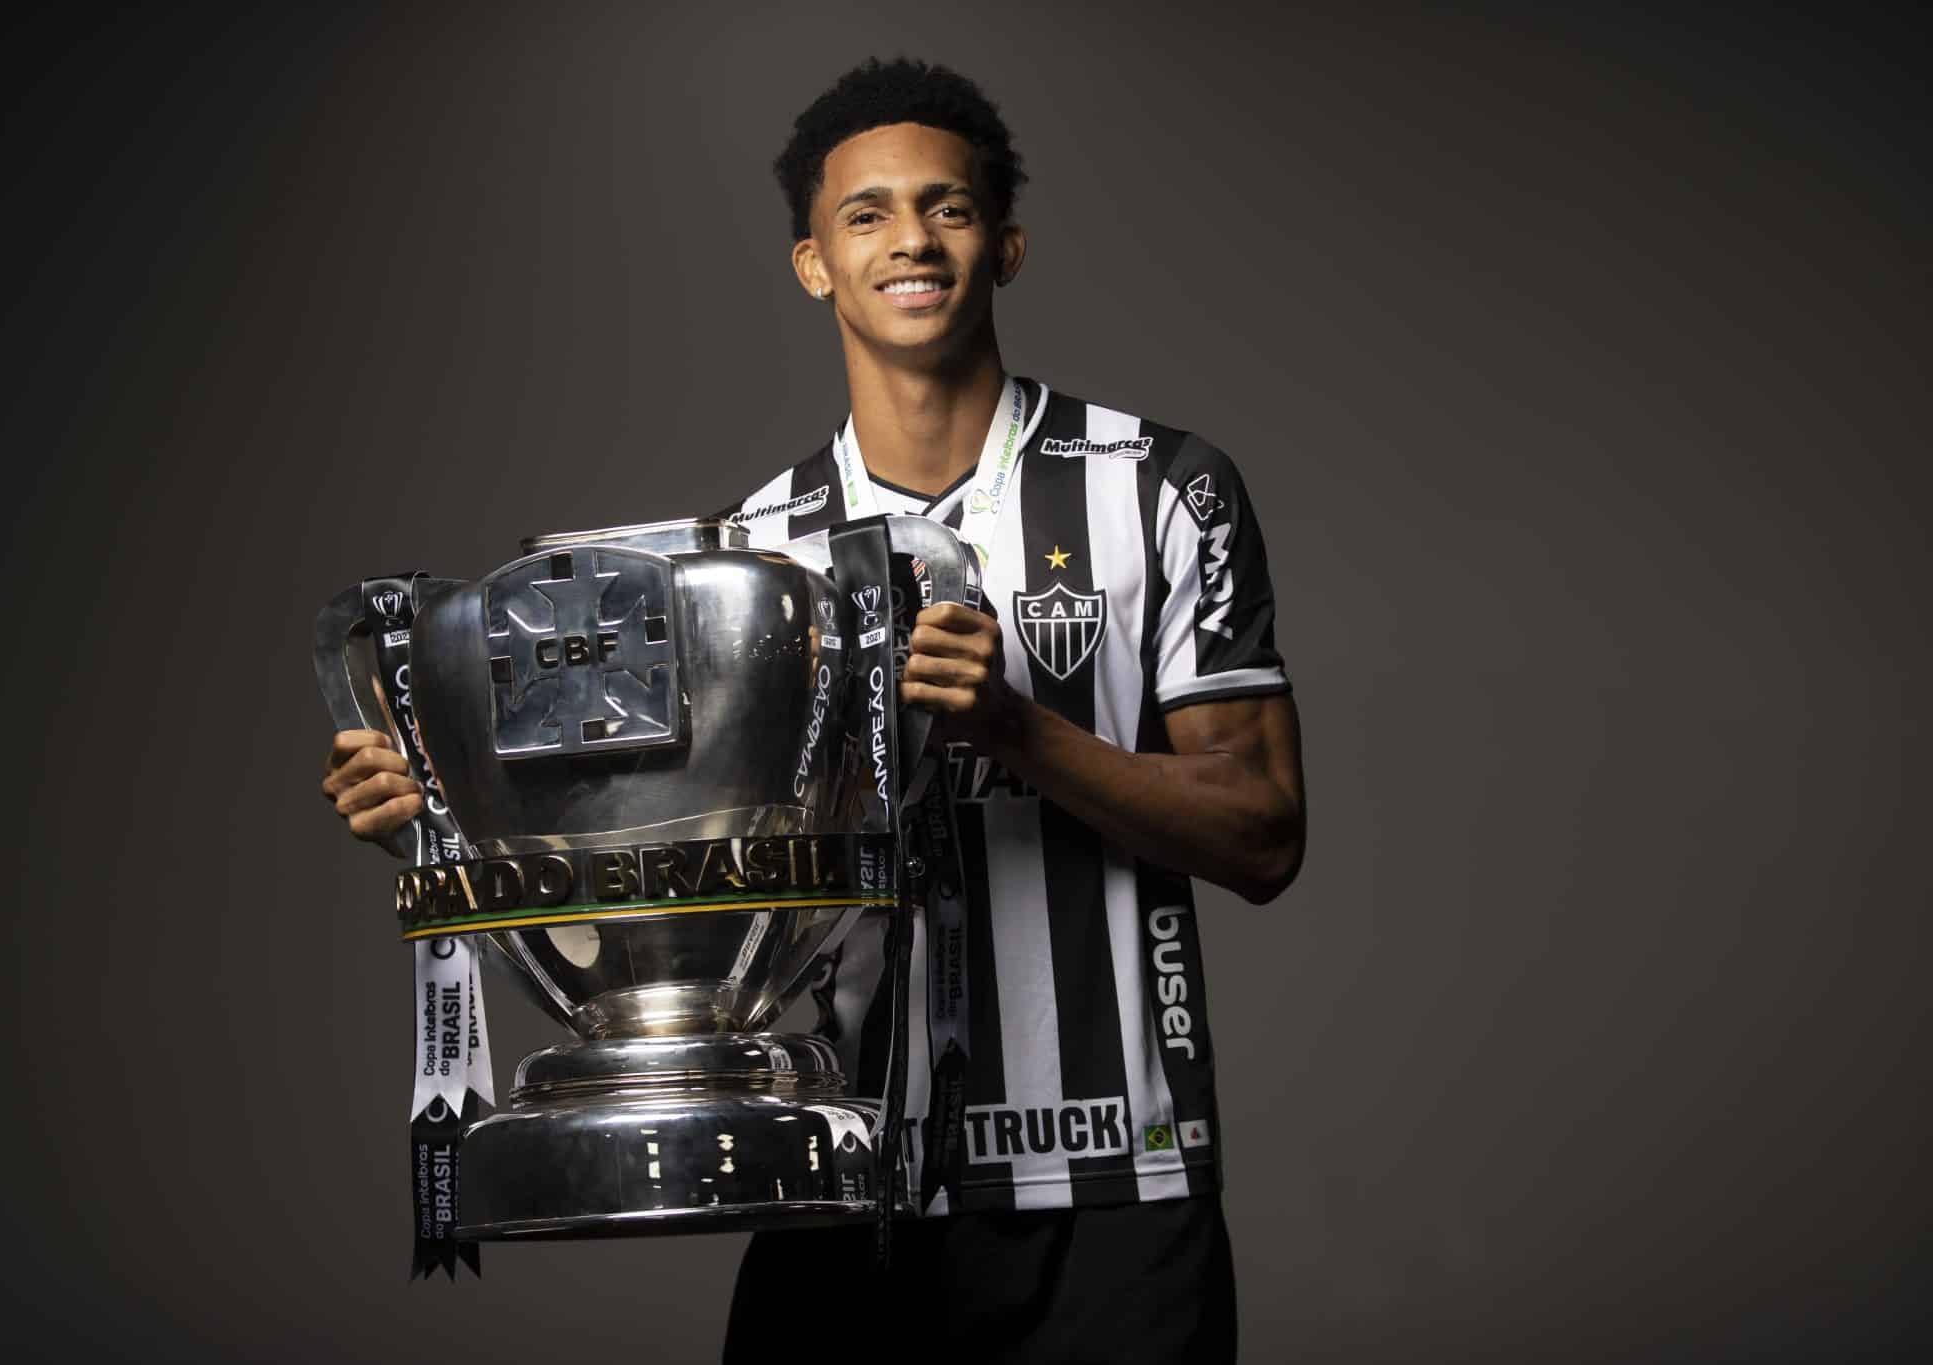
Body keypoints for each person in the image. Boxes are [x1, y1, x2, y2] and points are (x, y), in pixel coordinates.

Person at [322, 57, 1305, 1364]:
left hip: (1119, 1182)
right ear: (814, 265)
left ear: (1005, 245)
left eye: (949, 207)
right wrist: (447, 816)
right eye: (867, 213)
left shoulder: (1162, 488)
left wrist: (1018, 729)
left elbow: (1263, 832)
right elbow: (665, 853)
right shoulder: (749, 557)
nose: (912, 240)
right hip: (850, 1182)